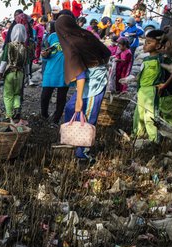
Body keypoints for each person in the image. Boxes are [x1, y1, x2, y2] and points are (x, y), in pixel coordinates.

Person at [56, 14, 111, 162]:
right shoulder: (84, 34)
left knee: (86, 114)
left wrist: (79, 98)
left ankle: (83, 153)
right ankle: (72, 141)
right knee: (70, 108)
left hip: (93, 82)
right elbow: (107, 52)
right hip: (93, 76)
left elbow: (80, 74)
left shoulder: (71, 44)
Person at [133, 30, 172, 142]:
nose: (145, 45)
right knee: (139, 114)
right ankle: (139, 135)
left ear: (158, 45)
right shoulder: (146, 59)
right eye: (145, 42)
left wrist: (164, 85)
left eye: (149, 43)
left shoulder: (161, 59)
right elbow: (142, 74)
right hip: (142, 90)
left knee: (153, 115)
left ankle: (159, 139)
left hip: (157, 91)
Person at [0, 24, 29, 126]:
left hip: (10, 74)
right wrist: (27, 76)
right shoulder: (25, 47)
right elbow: (27, 64)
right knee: (17, 94)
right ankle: (17, 113)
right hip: (20, 74)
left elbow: (4, 62)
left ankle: (9, 116)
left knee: (7, 95)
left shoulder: (9, 46)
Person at [41, 21, 69, 124]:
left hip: (65, 71)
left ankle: (56, 119)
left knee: (61, 97)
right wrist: (45, 54)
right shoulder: (51, 37)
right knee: (45, 95)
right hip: (51, 69)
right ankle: (44, 116)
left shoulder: (71, 37)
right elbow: (45, 51)